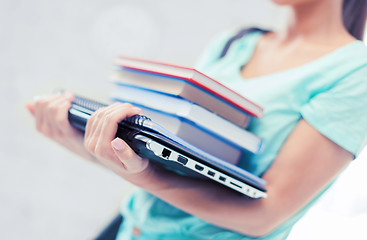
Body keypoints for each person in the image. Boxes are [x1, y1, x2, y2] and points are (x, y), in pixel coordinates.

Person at [27, 0, 367, 239]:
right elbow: (163, 161)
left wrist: (144, 176)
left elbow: (265, 216)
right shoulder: (234, 44)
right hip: (129, 228)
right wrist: (81, 140)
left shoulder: (356, 71)